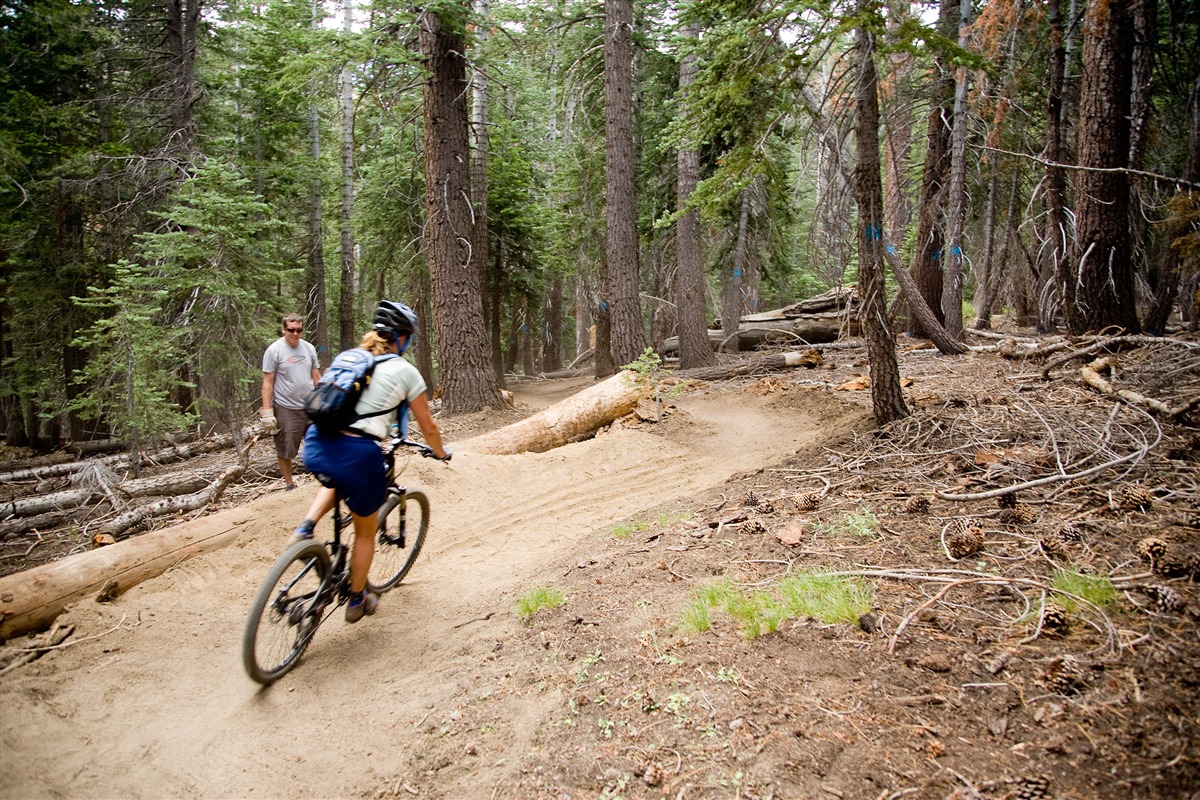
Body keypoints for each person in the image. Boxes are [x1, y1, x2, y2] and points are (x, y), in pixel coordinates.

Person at [290, 301, 450, 623]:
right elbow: (428, 426)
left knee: (338, 480)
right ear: (401, 338)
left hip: (317, 442)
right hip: (357, 453)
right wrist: (441, 453)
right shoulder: (405, 371)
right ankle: (356, 598)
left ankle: (305, 527)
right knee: (364, 532)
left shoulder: (349, 357)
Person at [261, 313, 322, 490]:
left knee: (320, 441)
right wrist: (267, 409)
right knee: (286, 448)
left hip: (310, 405)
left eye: (299, 330)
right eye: (291, 330)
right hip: (286, 407)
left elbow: (316, 375)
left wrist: (324, 397)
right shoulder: (274, 350)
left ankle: (321, 479)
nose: (295, 334)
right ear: (283, 329)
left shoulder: (309, 348)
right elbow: (267, 381)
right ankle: (289, 484)